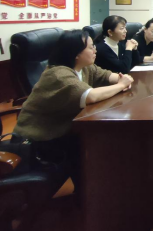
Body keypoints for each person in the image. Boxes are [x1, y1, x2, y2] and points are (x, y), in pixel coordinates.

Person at [14, 30, 134, 189]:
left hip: (63, 130)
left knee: (103, 142)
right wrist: (121, 85)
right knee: (96, 145)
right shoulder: (58, 75)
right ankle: (90, 194)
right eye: (91, 47)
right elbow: (90, 96)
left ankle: (95, 190)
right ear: (76, 53)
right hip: (39, 141)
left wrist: (121, 79)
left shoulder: (84, 68)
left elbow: (106, 76)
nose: (95, 50)